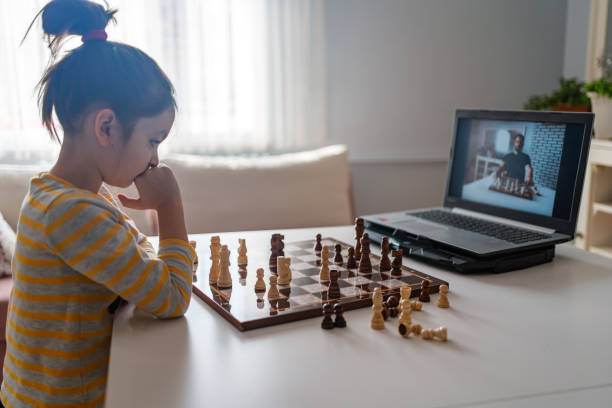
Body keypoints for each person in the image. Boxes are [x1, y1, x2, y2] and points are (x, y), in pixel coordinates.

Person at [1, 1, 195, 407]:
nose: (156, 159)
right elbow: (173, 297)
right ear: (106, 127)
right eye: (153, 140)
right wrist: (171, 205)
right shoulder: (73, 213)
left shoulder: (70, 194)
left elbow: (137, 259)